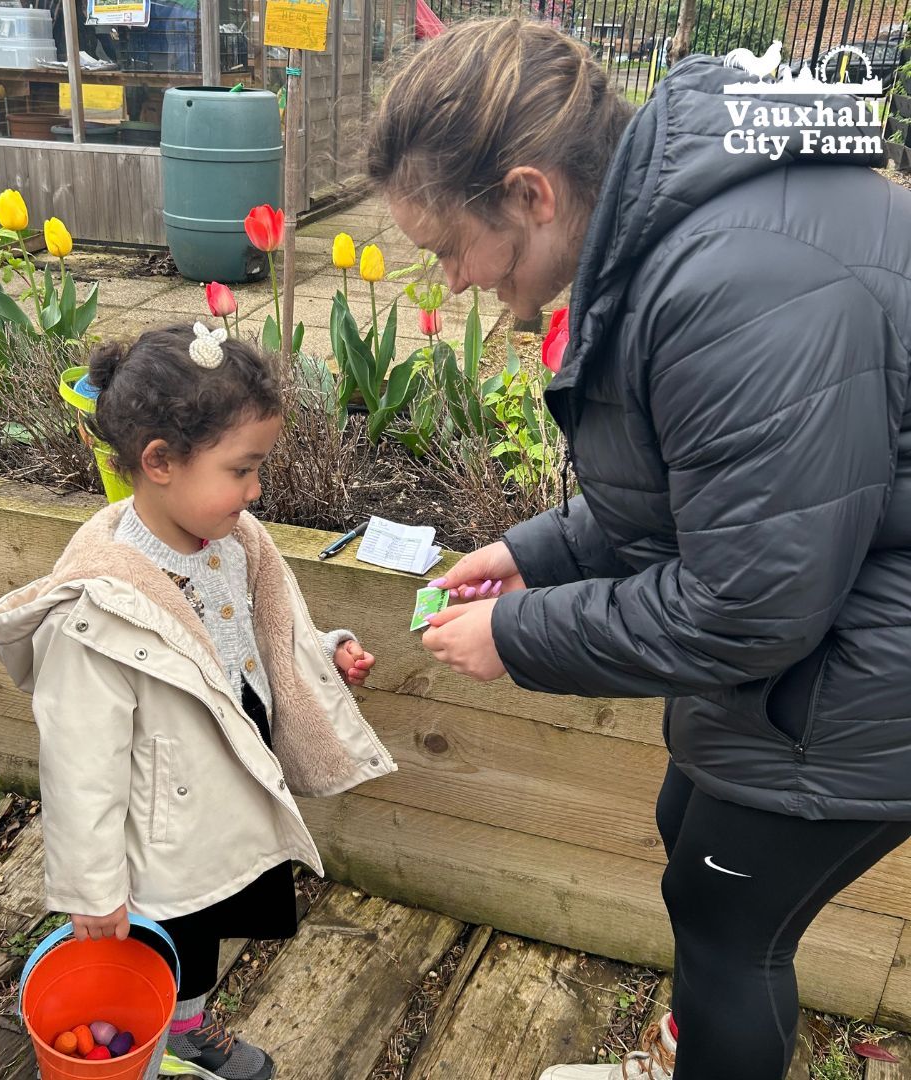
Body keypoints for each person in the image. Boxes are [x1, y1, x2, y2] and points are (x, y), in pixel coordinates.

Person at [368, 18, 911, 1080]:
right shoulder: (681, 233)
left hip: (872, 665)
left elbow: (747, 603)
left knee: (727, 927)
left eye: (446, 249)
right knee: (688, 831)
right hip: (842, 609)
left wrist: (517, 636)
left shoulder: (735, 285)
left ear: (532, 194)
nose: (453, 283)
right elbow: (711, 497)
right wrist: (537, 557)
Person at [0, 323, 394, 1080]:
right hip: (163, 828)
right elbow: (79, 760)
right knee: (170, 932)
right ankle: (153, 1038)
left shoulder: (232, 543)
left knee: (206, 932)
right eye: (243, 469)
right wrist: (92, 885)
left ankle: (185, 1027)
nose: (256, 490)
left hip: (228, 789)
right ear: (161, 463)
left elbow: (266, 635)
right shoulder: (98, 608)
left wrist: (326, 651)